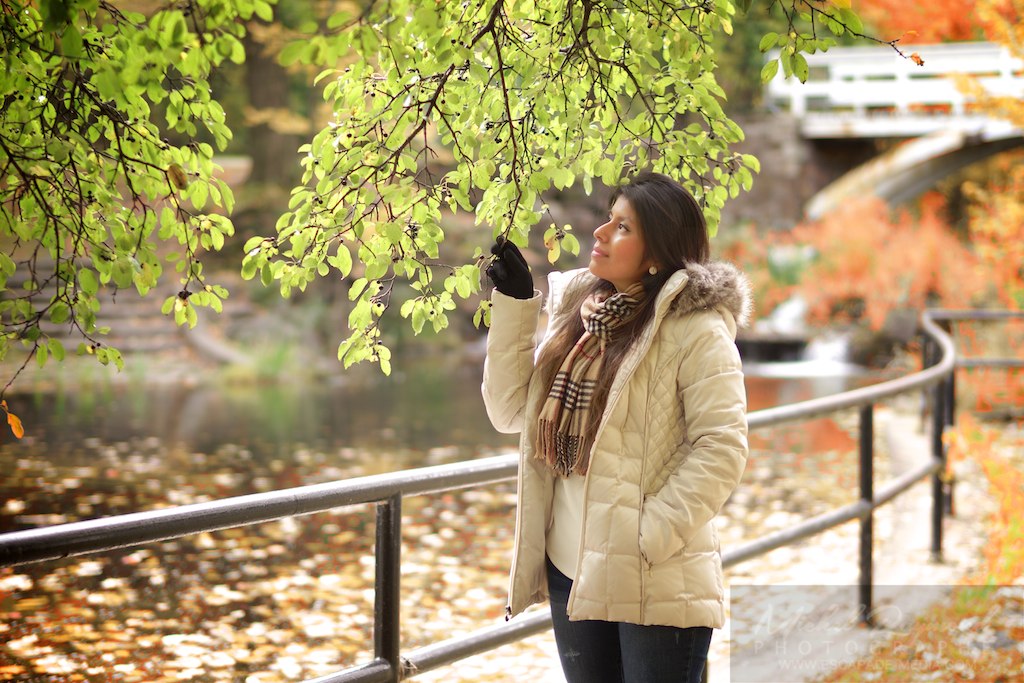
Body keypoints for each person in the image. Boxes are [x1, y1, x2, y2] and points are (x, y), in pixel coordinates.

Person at [480, 171, 751, 683]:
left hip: (654, 570)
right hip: (571, 568)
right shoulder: (579, 317)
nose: (601, 233)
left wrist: (646, 536)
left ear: (658, 252)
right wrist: (516, 306)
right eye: (608, 219)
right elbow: (510, 412)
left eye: (622, 226)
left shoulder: (698, 328)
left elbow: (721, 448)